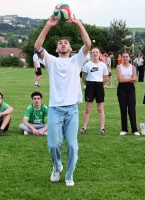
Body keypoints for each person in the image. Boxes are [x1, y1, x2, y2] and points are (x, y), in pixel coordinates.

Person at [34, 15, 91, 186]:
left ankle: (69, 175)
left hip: (72, 109)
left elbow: (88, 45)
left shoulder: (77, 61)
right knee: (54, 145)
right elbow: (37, 46)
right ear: (57, 48)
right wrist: (48, 26)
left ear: (71, 47)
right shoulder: (51, 61)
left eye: (66, 43)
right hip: (55, 110)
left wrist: (78, 23)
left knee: (72, 145)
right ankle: (57, 167)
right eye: (60, 43)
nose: (63, 44)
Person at [79, 47, 108, 135]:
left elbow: (105, 78)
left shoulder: (103, 65)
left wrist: (99, 86)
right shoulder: (87, 65)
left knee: (100, 109)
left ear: (100, 54)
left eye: (97, 52)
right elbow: (84, 77)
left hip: (99, 86)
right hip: (90, 86)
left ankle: (102, 128)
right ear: (92, 54)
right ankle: (84, 128)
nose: (95, 54)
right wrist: (88, 85)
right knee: (87, 109)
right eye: (93, 52)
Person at [116, 52, 140, 136]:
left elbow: (135, 79)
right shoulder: (119, 67)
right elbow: (121, 80)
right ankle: (124, 129)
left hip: (131, 89)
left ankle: (134, 129)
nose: (125, 58)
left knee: (132, 109)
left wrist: (128, 79)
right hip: (121, 89)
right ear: (121, 58)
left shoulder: (132, 67)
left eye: (127, 57)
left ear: (129, 58)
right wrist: (131, 79)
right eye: (124, 57)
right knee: (123, 109)